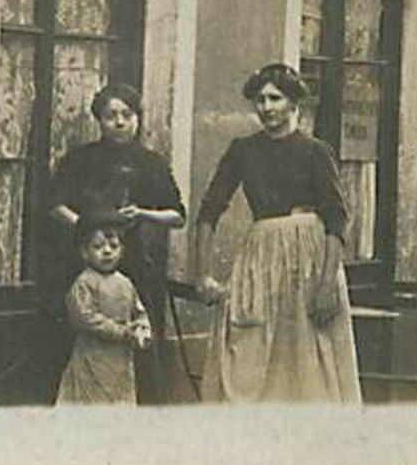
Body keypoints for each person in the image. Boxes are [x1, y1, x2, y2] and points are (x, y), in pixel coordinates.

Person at [193, 62, 362, 403]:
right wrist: (203, 274)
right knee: (249, 351)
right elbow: (209, 212)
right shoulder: (242, 151)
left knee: (310, 357)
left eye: (275, 98)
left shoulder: (315, 152)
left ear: (294, 104)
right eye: (260, 99)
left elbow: (335, 220)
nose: (266, 107)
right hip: (262, 260)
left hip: (310, 262)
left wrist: (327, 283)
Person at [43, 83, 186, 403]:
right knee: (83, 331)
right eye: (110, 116)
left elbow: (177, 215)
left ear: (137, 118)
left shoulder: (152, 163)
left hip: (133, 260)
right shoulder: (80, 159)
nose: (119, 122)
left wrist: (145, 213)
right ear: (100, 120)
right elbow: (55, 204)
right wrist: (88, 228)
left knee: (135, 334)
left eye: (127, 114)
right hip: (86, 258)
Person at [56, 212, 153, 405]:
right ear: (85, 252)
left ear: (122, 250)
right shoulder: (85, 282)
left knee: (118, 399)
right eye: (98, 246)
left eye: (113, 246)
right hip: (92, 356)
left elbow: (138, 311)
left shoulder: (125, 283)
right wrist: (121, 331)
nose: (107, 251)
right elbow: (84, 317)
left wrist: (143, 329)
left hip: (120, 359)